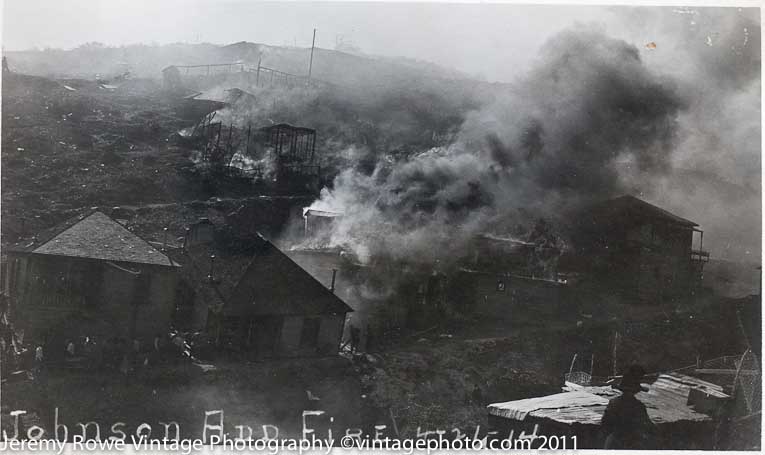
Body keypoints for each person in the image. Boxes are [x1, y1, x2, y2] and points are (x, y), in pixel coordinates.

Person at [600, 364, 658, 449]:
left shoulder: (613, 403)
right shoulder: (638, 406)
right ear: (636, 391)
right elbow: (648, 425)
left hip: (615, 440)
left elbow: (605, 423)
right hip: (632, 441)